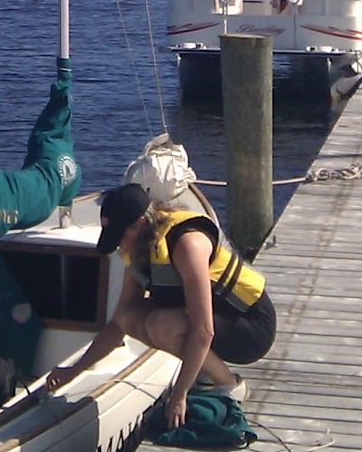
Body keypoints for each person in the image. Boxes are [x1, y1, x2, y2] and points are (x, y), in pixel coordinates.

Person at [44, 182, 276, 428]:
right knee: (131, 318)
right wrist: (74, 371)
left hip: (251, 326)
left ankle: (229, 385)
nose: (120, 244)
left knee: (164, 325)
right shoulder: (138, 249)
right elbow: (119, 324)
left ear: (141, 222)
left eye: (122, 235)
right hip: (217, 322)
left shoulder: (187, 244)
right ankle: (207, 372)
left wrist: (179, 394)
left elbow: (204, 330)